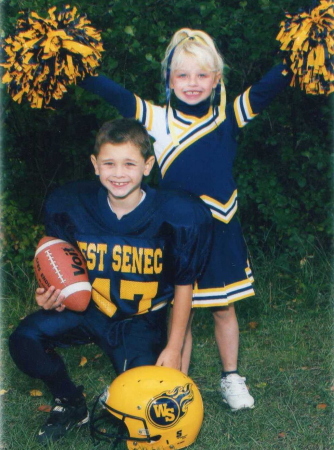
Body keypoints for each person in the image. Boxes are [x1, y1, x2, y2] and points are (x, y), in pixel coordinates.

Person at [79, 27, 294, 412]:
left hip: (221, 226)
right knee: (182, 311)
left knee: (224, 307)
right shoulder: (156, 120)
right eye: (182, 75)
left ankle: (231, 377)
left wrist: (304, 49)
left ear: (216, 79)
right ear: (168, 79)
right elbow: (111, 92)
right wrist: (71, 63)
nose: (192, 84)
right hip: (177, 233)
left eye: (201, 75)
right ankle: (180, 381)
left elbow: (269, 86)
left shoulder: (229, 115)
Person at [8, 118, 213, 444]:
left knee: (144, 407)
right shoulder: (73, 204)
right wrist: (50, 294)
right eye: (109, 163)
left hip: (139, 321)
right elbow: (59, 262)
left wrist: (173, 349)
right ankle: (69, 402)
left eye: (129, 163)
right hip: (90, 308)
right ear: (94, 165)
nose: (119, 173)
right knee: (25, 339)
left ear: (147, 166)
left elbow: (185, 286)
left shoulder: (177, 213)